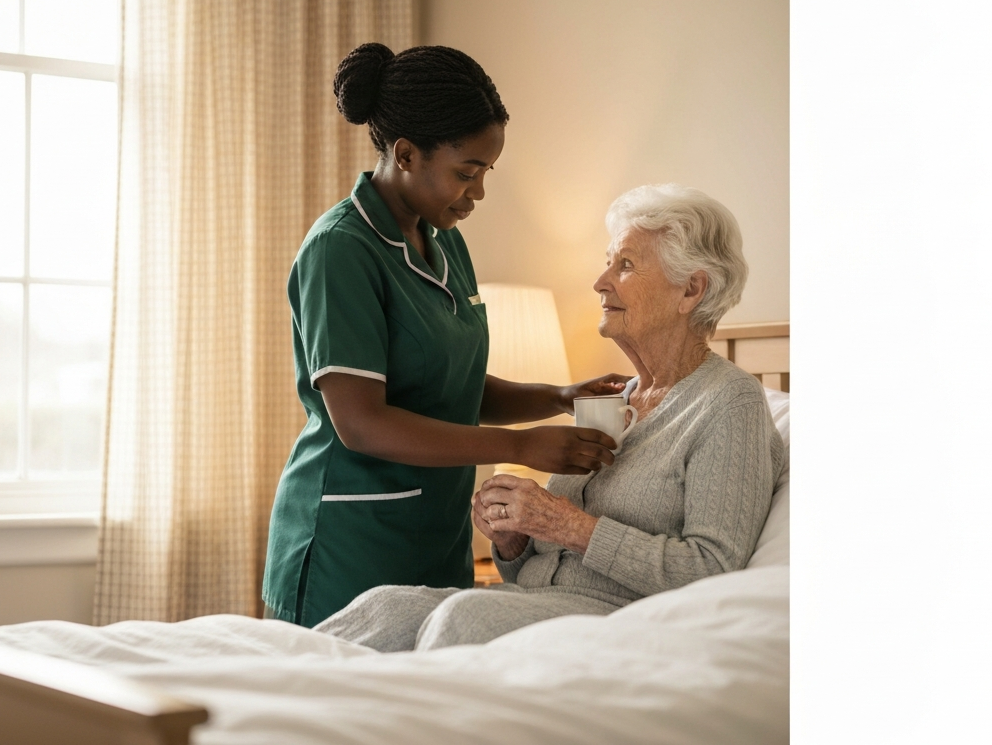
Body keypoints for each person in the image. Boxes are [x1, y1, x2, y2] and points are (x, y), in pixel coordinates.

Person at [313, 184, 786, 650]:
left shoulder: (731, 404)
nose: (600, 282)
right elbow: (539, 573)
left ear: (691, 289)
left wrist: (567, 525)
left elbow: (711, 570)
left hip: (621, 620)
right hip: (539, 602)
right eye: (607, 263)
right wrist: (515, 539)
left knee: (466, 617)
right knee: (385, 607)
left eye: (624, 266)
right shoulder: (618, 399)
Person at [262, 43, 630, 627]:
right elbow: (361, 424)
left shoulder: (444, 243)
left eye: (485, 173)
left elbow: (452, 385)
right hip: (350, 537)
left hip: (437, 532)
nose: (477, 193)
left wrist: (560, 397)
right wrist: (519, 447)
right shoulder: (342, 249)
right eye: (466, 173)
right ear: (405, 154)